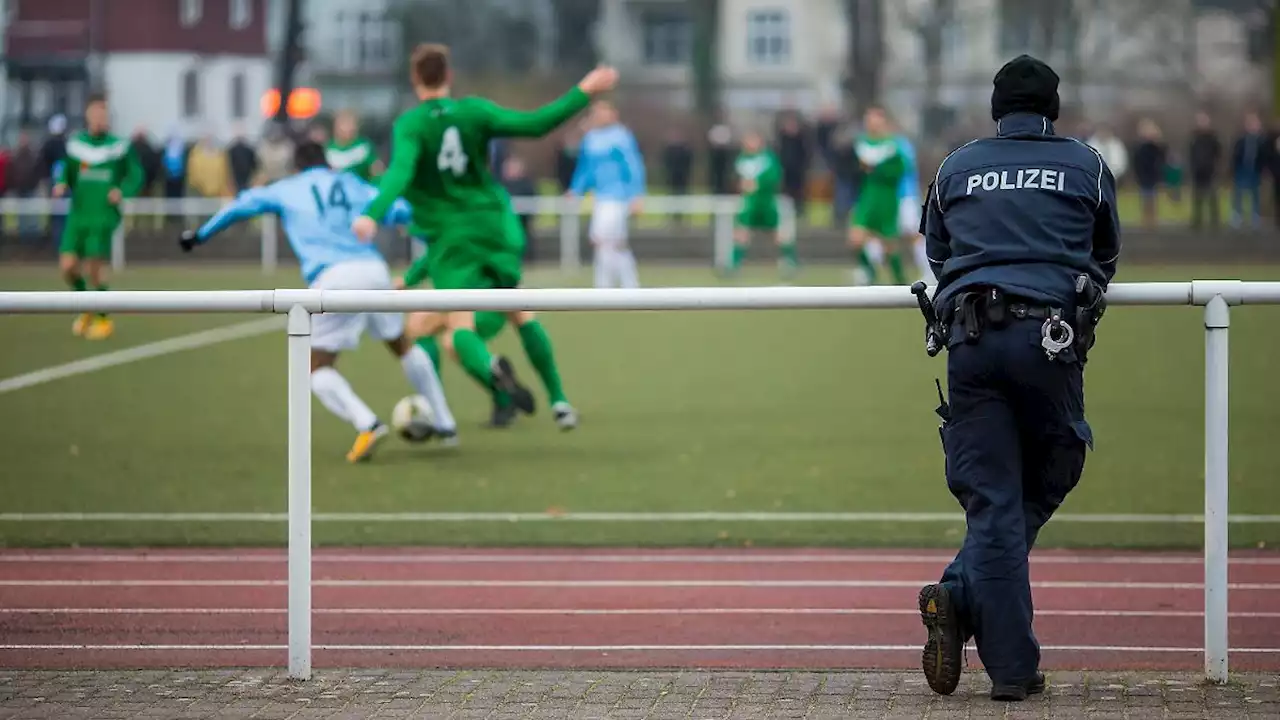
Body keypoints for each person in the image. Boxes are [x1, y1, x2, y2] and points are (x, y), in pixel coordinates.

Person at [917, 55, 1118, 702]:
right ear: (1052, 108)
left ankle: (964, 597)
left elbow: (939, 254)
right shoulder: (1084, 163)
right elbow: (1105, 253)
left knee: (993, 501)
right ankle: (1004, 661)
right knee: (1055, 466)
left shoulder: (957, 164)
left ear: (996, 108)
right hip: (1048, 341)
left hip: (968, 341)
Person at [352, 44, 613, 429]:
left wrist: (372, 215)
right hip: (498, 230)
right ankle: (558, 402)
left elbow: (399, 173)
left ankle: (458, 401)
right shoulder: (474, 111)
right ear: (449, 77)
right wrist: (585, 90)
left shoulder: (411, 124)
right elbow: (537, 124)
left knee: (445, 327)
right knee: (516, 306)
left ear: (415, 80)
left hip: (456, 243)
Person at [180, 141, 457, 463]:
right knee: (401, 344)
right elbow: (401, 211)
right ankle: (445, 421)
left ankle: (367, 423)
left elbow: (241, 205)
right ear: (327, 163)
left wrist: (199, 235)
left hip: (335, 279)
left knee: (315, 368)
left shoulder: (288, 187)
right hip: (374, 270)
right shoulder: (352, 183)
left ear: (297, 166)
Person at [54, 93, 143, 341]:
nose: (98, 119)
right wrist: (61, 184)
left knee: (94, 265)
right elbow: (67, 173)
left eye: (102, 115)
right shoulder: (76, 145)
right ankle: (87, 306)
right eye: (94, 114)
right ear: (87, 116)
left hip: (103, 215)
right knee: (68, 266)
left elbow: (136, 176)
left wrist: (122, 191)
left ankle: (103, 317)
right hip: (78, 214)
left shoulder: (119, 146)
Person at [568, 99, 646, 289]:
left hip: (618, 196)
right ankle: (626, 285)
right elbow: (585, 168)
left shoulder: (621, 136)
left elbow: (633, 166)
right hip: (600, 196)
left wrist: (637, 194)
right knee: (615, 243)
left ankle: (606, 286)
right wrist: (575, 189)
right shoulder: (590, 138)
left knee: (601, 238)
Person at [724, 129, 794, 278]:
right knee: (741, 232)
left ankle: (791, 261)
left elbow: (775, 176)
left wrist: (758, 184)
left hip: (766, 202)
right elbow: (736, 178)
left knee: (777, 234)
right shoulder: (742, 159)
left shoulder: (768, 158)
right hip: (749, 203)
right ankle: (734, 265)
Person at [849, 106, 906, 286]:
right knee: (856, 238)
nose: (871, 123)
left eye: (875, 119)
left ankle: (900, 282)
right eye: (869, 119)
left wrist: (878, 169)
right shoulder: (862, 142)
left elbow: (901, 170)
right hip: (868, 196)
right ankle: (869, 273)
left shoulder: (892, 145)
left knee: (889, 245)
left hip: (887, 198)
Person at [894, 128, 932, 284]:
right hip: (890, 197)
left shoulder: (900, 145)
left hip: (905, 196)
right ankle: (868, 273)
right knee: (878, 233)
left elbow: (906, 168)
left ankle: (929, 271)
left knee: (914, 234)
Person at [326, 110, 383, 182]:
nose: (348, 128)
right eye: (344, 124)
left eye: (351, 124)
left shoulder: (364, 146)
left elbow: (377, 171)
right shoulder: (328, 148)